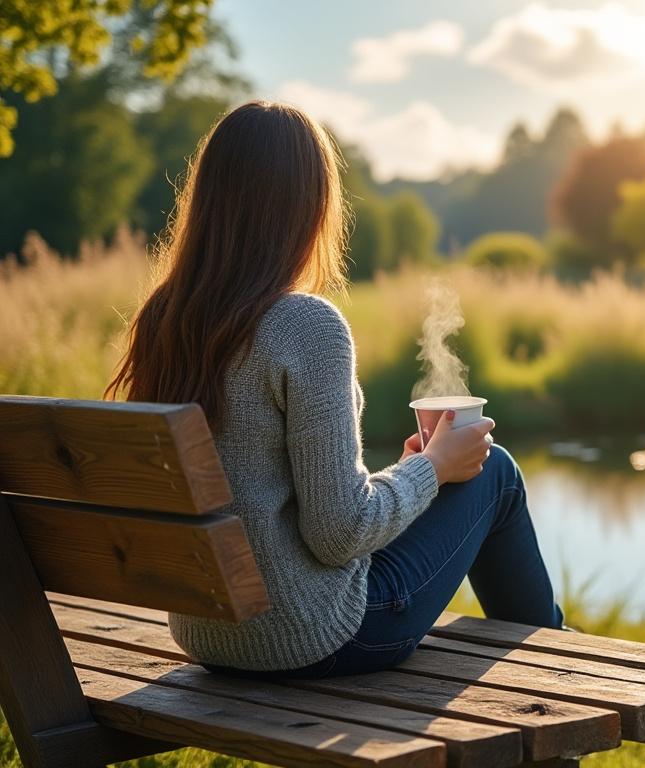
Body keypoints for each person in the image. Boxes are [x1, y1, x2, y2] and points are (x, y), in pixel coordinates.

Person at [106, 100, 563, 678]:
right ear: (310, 207)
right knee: (494, 472)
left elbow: (270, 495)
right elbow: (338, 534)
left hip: (209, 632)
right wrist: (433, 470)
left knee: (464, 475)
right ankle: (558, 665)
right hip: (318, 635)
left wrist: (409, 475)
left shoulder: (164, 319)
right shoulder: (305, 326)